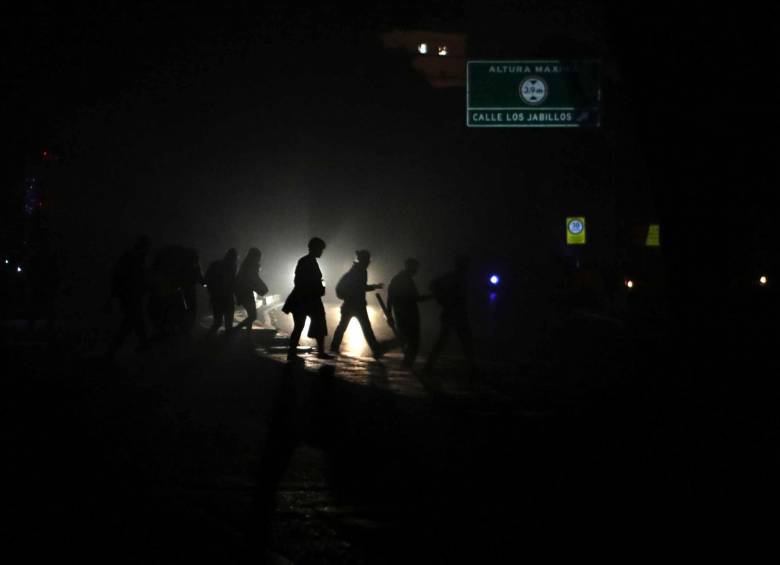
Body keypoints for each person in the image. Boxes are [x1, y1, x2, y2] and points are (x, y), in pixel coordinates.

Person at [424, 255, 475, 375]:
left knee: (450, 340)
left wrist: (441, 300)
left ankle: (429, 365)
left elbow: (434, 284)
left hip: (454, 313)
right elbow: (434, 284)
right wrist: (443, 300)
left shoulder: (455, 277)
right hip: (454, 313)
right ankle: (473, 367)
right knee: (462, 340)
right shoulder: (454, 277)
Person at [282, 237, 331, 360]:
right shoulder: (306, 262)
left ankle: (294, 352)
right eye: (320, 249)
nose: (321, 252)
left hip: (305, 299)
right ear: (314, 248)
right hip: (305, 299)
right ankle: (316, 352)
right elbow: (299, 281)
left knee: (308, 324)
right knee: (308, 323)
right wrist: (317, 288)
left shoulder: (309, 261)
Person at [330, 250, 384, 358]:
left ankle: (334, 348)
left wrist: (373, 286)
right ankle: (376, 350)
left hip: (350, 305)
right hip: (357, 305)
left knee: (343, 327)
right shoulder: (361, 271)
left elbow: (359, 287)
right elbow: (361, 287)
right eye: (367, 260)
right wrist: (374, 286)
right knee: (366, 329)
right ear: (364, 261)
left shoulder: (354, 271)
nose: (369, 263)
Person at [107, 235, 151, 355]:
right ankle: (112, 350)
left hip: (130, 295)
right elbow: (125, 277)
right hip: (130, 295)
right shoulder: (135, 258)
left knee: (136, 319)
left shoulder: (132, 257)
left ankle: (144, 343)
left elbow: (117, 276)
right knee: (131, 321)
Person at [387, 258, 432, 368]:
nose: (416, 271)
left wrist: (389, 314)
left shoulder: (398, 279)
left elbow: (390, 297)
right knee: (413, 340)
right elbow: (415, 298)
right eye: (415, 268)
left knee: (404, 338)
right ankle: (407, 363)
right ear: (411, 267)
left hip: (401, 313)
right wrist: (431, 296)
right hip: (409, 314)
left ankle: (405, 361)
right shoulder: (406, 280)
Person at [233, 248, 268, 332]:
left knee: (251, 315)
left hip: (243, 292)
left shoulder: (245, 265)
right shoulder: (252, 266)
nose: (260, 258)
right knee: (253, 316)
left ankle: (247, 336)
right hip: (246, 292)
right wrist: (262, 289)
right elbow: (253, 279)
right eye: (259, 256)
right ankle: (235, 330)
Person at [205, 248, 237, 334]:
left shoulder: (216, 264)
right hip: (227, 298)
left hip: (216, 297)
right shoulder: (232, 266)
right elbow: (232, 283)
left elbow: (207, 279)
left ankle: (206, 342)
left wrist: (211, 293)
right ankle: (225, 343)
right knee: (228, 324)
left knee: (217, 323)